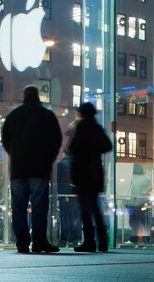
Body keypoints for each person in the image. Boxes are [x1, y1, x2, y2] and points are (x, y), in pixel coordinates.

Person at [1, 85, 63, 254]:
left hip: (18, 169)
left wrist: (15, 155)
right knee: (40, 206)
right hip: (39, 168)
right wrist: (48, 158)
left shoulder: (13, 116)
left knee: (19, 206)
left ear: (24, 96)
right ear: (38, 96)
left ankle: (22, 243)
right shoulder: (47, 115)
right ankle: (39, 242)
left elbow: (5, 141)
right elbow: (56, 140)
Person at [66, 101, 114, 253]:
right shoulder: (97, 128)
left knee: (84, 209)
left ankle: (89, 241)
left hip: (82, 173)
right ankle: (103, 242)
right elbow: (108, 146)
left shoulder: (79, 128)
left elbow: (70, 149)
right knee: (95, 207)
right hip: (94, 173)